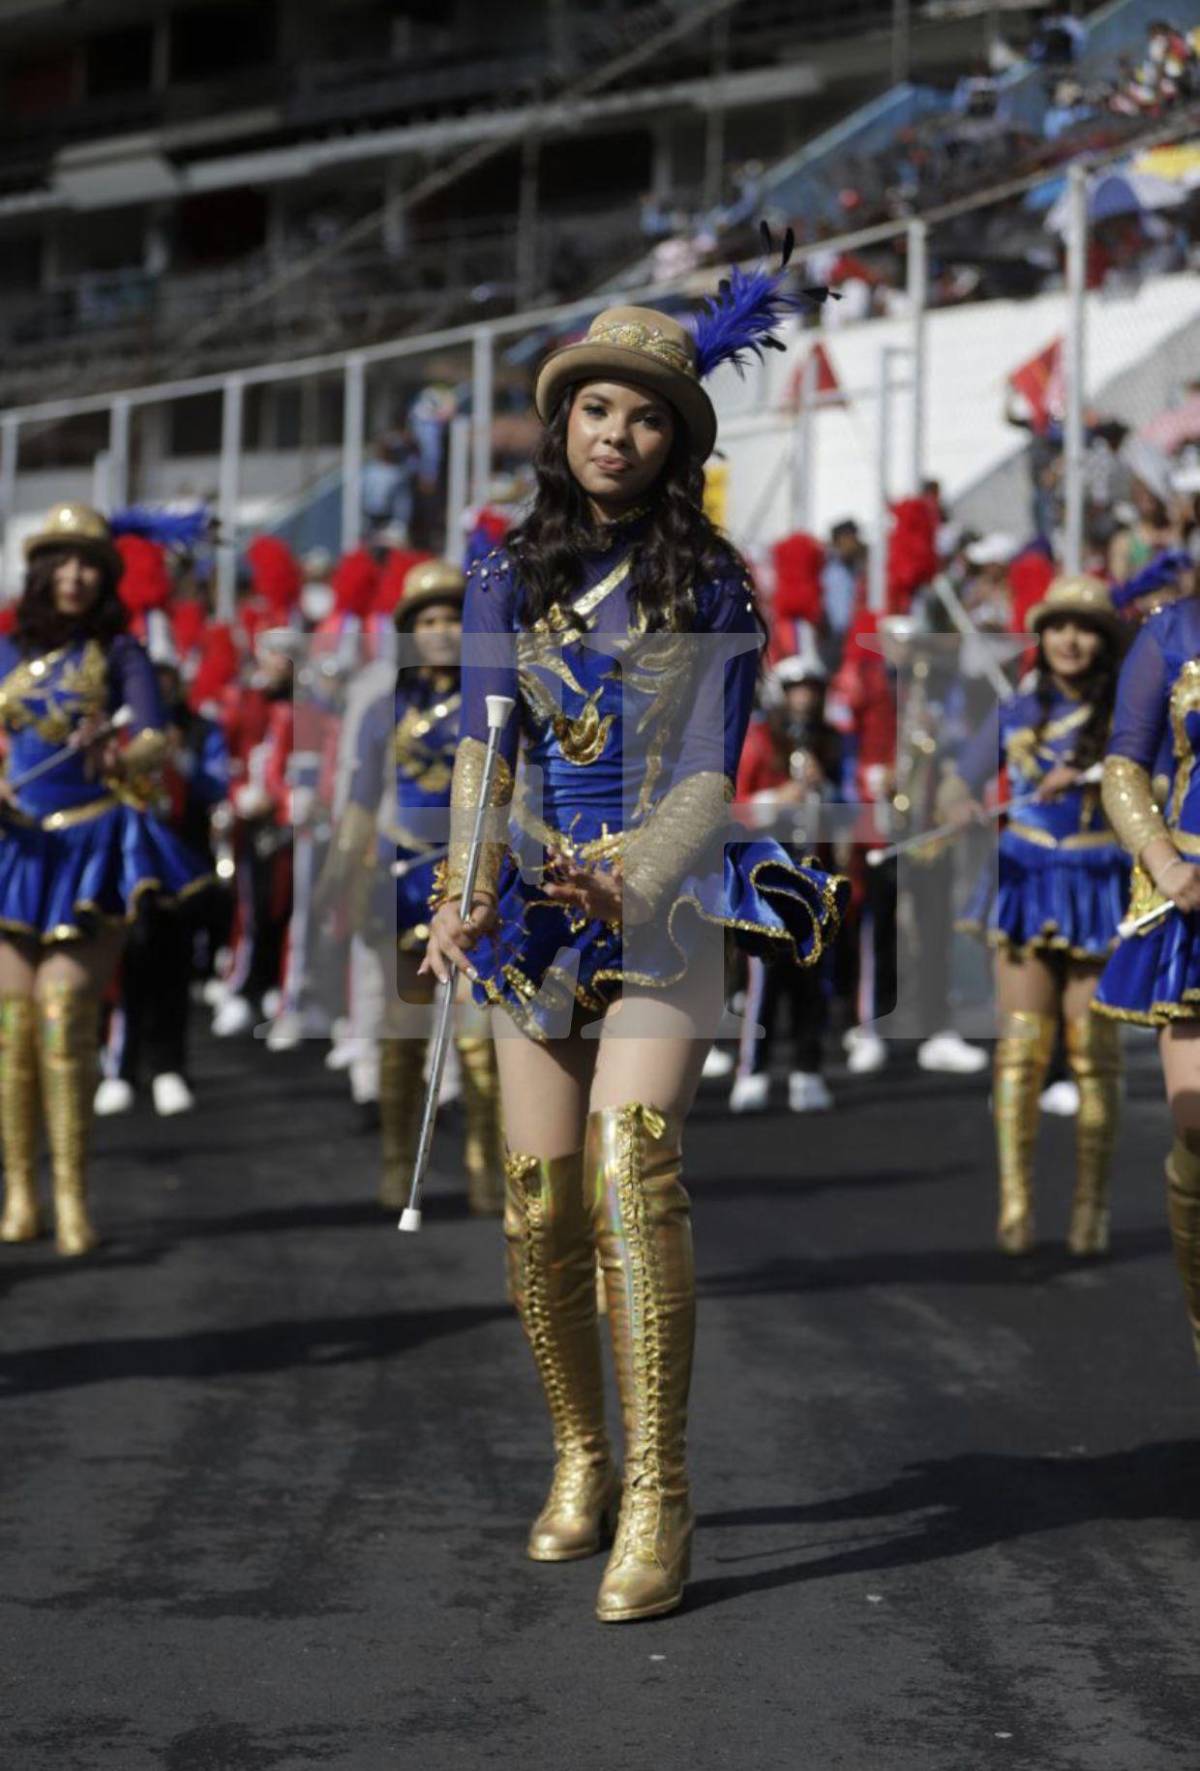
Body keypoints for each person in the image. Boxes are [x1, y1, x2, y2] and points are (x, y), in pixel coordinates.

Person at [418, 290, 847, 1623]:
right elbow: (488, 746)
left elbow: (716, 775)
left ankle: (661, 1487)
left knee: (628, 1163)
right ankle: (581, 1450)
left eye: (646, 416)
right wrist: (462, 887)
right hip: (536, 904)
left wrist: (634, 869)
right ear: (563, 426)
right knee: (538, 1196)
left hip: (660, 889)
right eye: (597, 408)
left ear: (676, 442)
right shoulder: (499, 572)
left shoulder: (710, 578)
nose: (617, 432)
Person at [0, 504, 208, 1254]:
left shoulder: (120, 654)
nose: (75, 575)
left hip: (92, 848)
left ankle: (73, 1197)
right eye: (62, 560)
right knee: (12, 1033)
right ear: (40, 570)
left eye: (88, 562)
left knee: (63, 1020)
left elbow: (159, 735)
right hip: (15, 851)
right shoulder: (5, 648)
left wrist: (121, 753)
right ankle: (20, 1191)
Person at [947, 576, 1129, 1256]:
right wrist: (960, 805)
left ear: (1103, 640)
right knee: (1020, 1053)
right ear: (1042, 637)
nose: (1070, 640)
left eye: (1083, 627)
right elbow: (959, 779)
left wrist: (1099, 775)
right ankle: (1016, 1203)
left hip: (1098, 883)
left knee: (1095, 1058)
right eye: (1057, 627)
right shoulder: (1016, 708)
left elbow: (1160, 787)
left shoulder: (1127, 717)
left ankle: (1092, 1208)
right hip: (1025, 882)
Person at [324, 558, 503, 1215]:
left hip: (482, 879)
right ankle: (400, 1161)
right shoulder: (384, 706)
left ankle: (487, 1166)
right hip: (403, 882)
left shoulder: (495, 699)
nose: (441, 631)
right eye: (427, 620)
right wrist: (339, 876)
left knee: (481, 1041)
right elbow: (362, 800)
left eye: (453, 617)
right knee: (401, 1035)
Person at [1092, 581, 1200, 1356]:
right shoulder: (1172, 632)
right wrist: (1163, 861)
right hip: (1197, 906)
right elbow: (1125, 766)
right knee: (1198, 1130)